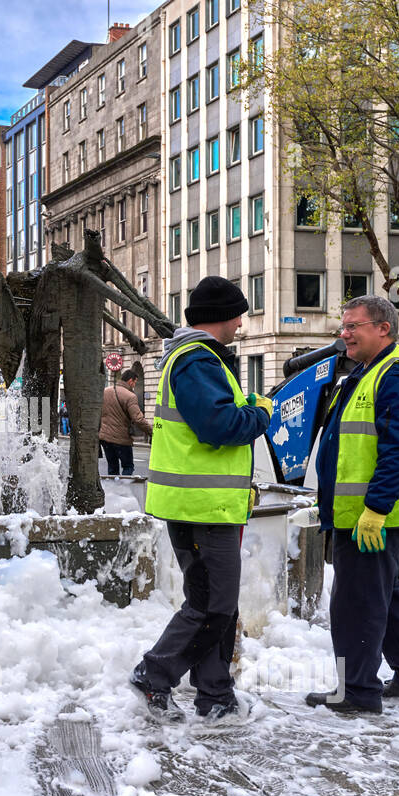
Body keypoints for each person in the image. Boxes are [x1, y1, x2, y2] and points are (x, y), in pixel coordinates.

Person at [130, 276, 272, 722]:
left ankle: (215, 696)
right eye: (240, 316)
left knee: (216, 604)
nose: (242, 324)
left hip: (206, 506)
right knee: (213, 604)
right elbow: (219, 426)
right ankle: (155, 674)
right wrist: (260, 413)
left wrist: (243, 405)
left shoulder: (201, 359)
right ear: (226, 317)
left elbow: (211, 417)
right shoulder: (197, 361)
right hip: (201, 508)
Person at [308, 295, 399, 715]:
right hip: (363, 514)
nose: (343, 334)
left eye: (353, 326)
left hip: (371, 517)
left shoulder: (397, 375)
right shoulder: (368, 371)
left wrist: (376, 508)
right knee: (383, 595)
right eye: (343, 326)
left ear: (383, 327)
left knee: (356, 602)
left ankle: (357, 692)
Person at [99, 368, 152, 476]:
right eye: (135, 382)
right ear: (130, 381)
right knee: (128, 467)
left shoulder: (105, 392)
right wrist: (151, 431)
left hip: (105, 438)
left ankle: (114, 491)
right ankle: (124, 490)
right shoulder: (130, 396)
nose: (134, 385)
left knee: (112, 467)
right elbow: (138, 419)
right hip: (121, 438)